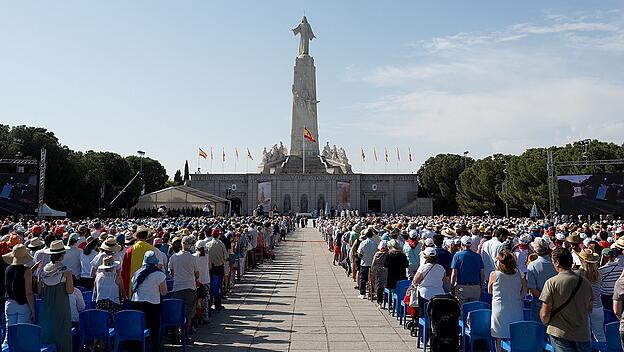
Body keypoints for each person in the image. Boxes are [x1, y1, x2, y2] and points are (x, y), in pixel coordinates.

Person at [540, 248, 593, 351]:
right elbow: (589, 309)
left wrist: (546, 322)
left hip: (560, 332)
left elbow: (544, 314)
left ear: (557, 263)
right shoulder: (585, 282)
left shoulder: (551, 283)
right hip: (582, 332)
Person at [38, 240, 73, 352]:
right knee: (62, 334)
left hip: (46, 307)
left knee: (47, 333)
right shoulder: (66, 272)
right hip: (61, 307)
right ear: (62, 255)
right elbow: (70, 290)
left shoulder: (42, 271)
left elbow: (39, 291)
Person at [488, 250, 525, 352]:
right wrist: (518, 297)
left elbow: (489, 290)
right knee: (514, 333)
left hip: (499, 306)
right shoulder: (518, 274)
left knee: (499, 335)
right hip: (515, 306)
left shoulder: (494, 274)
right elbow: (525, 289)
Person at [131, 251, 167, 352]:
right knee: (154, 328)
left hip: (137, 303)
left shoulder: (137, 273)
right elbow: (164, 292)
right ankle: (154, 348)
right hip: (152, 304)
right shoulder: (159, 274)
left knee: (138, 327)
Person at [2, 244, 36, 345]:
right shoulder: (27, 271)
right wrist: (33, 311)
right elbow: (29, 293)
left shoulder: (8, 269)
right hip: (22, 305)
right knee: (22, 336)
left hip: (9, 303)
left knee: (9, 336)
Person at [168, 235, 199, 335]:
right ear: (191, 245)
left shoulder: (173, 257)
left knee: (177, 311)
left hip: (177, 287)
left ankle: (176, 331)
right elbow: (197, 274)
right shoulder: (193, 258)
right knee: (189, 313)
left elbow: (171, 273)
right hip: (190, 287)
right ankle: (185, 333)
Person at [121, 225, 158, 297]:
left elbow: (124, 269)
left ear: (137, 236)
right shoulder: (152, 249)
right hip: (149, 283)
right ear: (146, 236)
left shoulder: (130, 250)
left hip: (133, 283)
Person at [526, 237, 557, 322]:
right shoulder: (555, 263)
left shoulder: (532, 265)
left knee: (538, 330)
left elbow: (532, 288)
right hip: (555, 301)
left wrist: (544, 301)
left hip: (539, 302)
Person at [578, 248, 605, 343]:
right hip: (598, 306)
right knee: (600, 335)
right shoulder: (599, 273)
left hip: (583, 307)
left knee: (586, 336)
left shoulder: (578, 274)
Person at [412, 247, 447, 316]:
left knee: (423, 313)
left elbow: (415, 281)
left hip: (425, 294)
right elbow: (445, 281)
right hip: (439, 293)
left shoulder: (423, 268)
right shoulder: (441, 267)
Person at [451, 236, 485, 306]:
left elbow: (454, 274)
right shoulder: (478, 256)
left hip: (462, 288)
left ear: (462, 244)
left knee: (462, 311)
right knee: (474, 311)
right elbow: (482, 274)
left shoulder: (457, 256)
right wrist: (482, 288)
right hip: (475, 288)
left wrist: (452, 287)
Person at [206, 229, 227, 312]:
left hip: (210, 268)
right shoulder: (221, 244)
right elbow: (225, 256)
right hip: (219, 267)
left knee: (210, 286)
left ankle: (210, 304)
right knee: (218, 287)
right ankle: (217, 305)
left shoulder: (207, 244)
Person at [357, 230, 378, 299]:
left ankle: (362, 293)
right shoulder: (375, 243)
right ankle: (372, 292)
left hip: (364, 263)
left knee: (363, 279)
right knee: (373, 279)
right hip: (372, 264)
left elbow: (360, 253)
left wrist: (362, 256)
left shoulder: (363, 243)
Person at [194, 239, 211, 325]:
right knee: (205, 300)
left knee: (197, 301)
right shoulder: (207, 256)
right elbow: (210, 266)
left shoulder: (193, 256)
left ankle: (197, 318)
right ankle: (205, 317)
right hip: (206, 280)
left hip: (197, 281)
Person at [371, 240, 389, 308]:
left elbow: (373, 264)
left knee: (379, 287)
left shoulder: (377, 254)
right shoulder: (389, 254)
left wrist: (372, 273)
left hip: (378, 272)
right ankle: (388, 301)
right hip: (387, 272)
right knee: (387, 287)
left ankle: (380, 302)